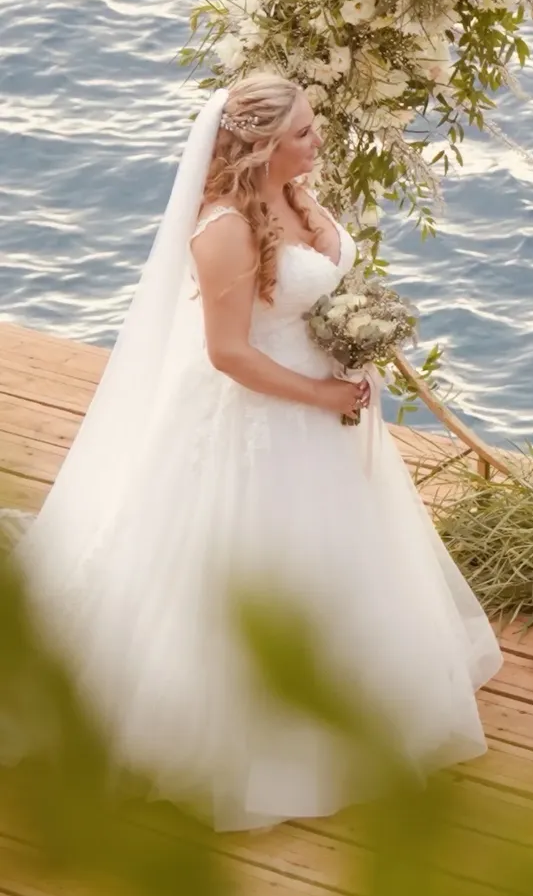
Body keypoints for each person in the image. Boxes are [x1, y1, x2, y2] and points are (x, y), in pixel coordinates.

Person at [20, 74, 500, 830]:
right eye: (304, 133)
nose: (319, 141)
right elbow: (228, 353)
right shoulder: (223, 230)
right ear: (263, 147)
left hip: (328, 407)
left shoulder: (298, 197)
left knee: (341, 559)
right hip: (260, 419)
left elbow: (322, 287)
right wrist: (319, 396)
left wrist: (354, 343)